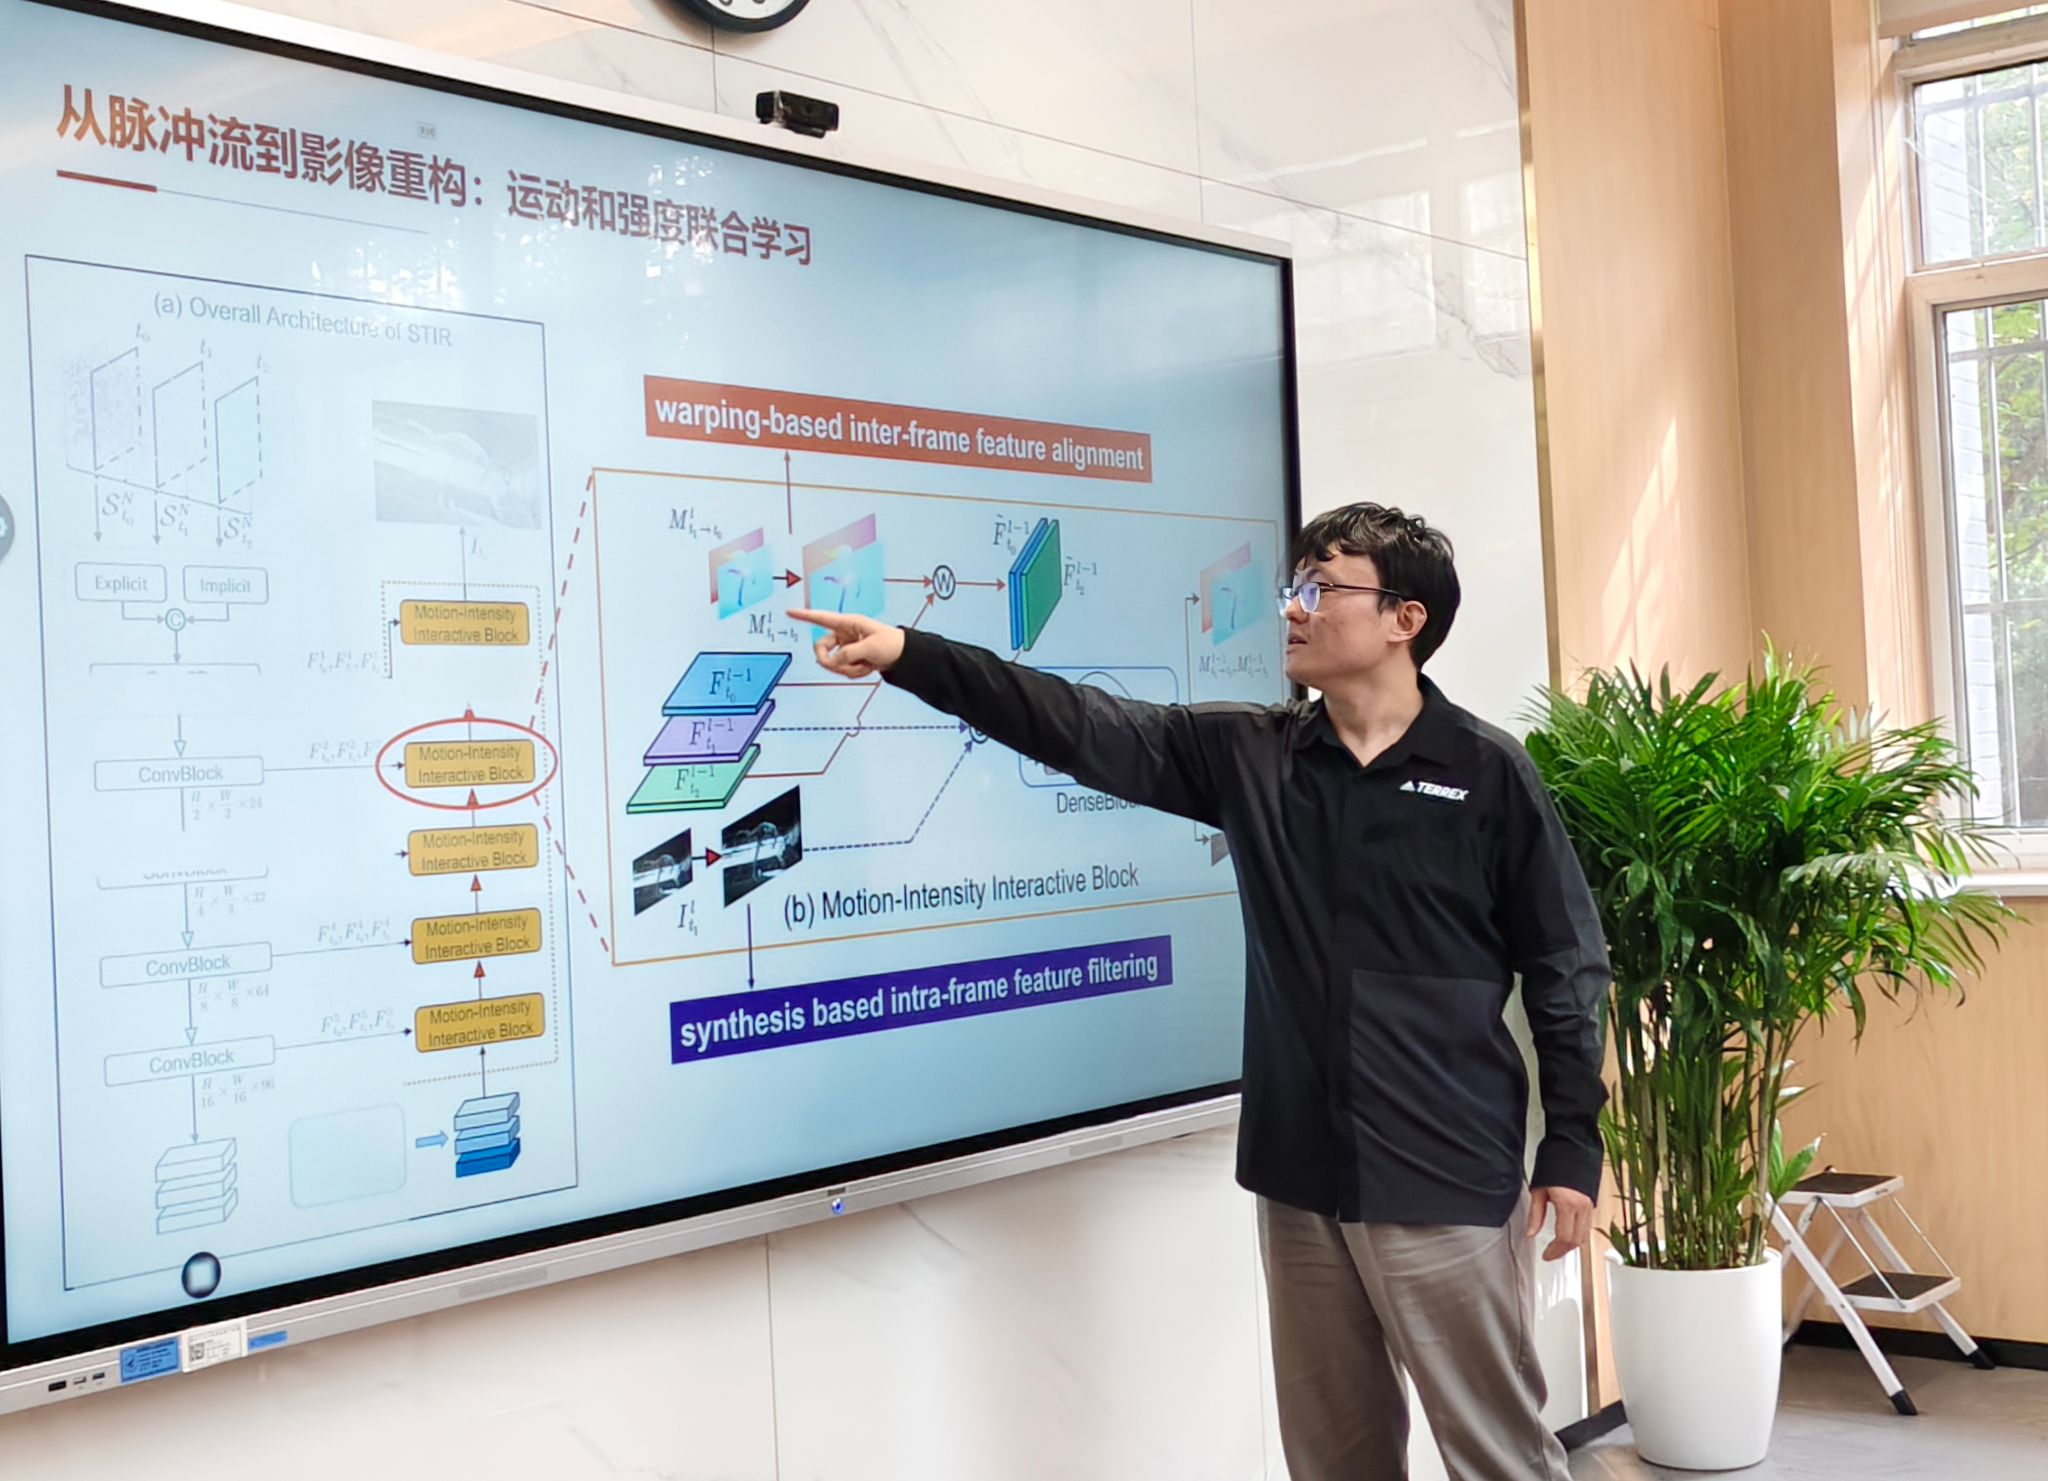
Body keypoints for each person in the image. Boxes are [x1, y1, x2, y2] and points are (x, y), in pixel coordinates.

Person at [790, 502, 1606, 1481]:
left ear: (1405, 618)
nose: (1293, 607)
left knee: (1498, 1455)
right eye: (1292, 586)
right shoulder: (1249, 756)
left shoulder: (1486, 772)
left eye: (1322, 587)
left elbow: (1564, 960)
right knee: (1333, 1461)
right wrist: (908, 652)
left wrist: (1571, 1142)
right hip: (1300, 1180)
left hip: (1442, 1171)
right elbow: (1074, 721)